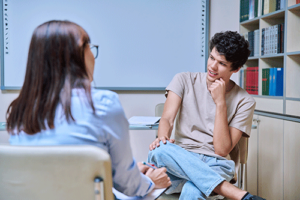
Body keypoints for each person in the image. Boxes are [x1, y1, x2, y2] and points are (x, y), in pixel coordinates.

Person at [6, 20, 171, 198]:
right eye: (89, 47)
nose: (93, 55)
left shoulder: (20, 110)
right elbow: (129, 186)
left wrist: (127, 173)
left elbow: (55, 177)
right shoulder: (103, 104)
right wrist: (151, 181)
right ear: (78, 53)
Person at [148, 31, 265, 200]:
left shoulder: (245, 101)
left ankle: (209, 183)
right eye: (211, 58)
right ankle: (239, 195)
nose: (212, 66)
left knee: (193, 189)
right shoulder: (183, 79)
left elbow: (221, 149)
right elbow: (167, 119)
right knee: (160, 151)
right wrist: (162, 138)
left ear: (236, 68)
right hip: (179, 160)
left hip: (215, 165)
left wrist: (220, 103)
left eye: (222, 63)